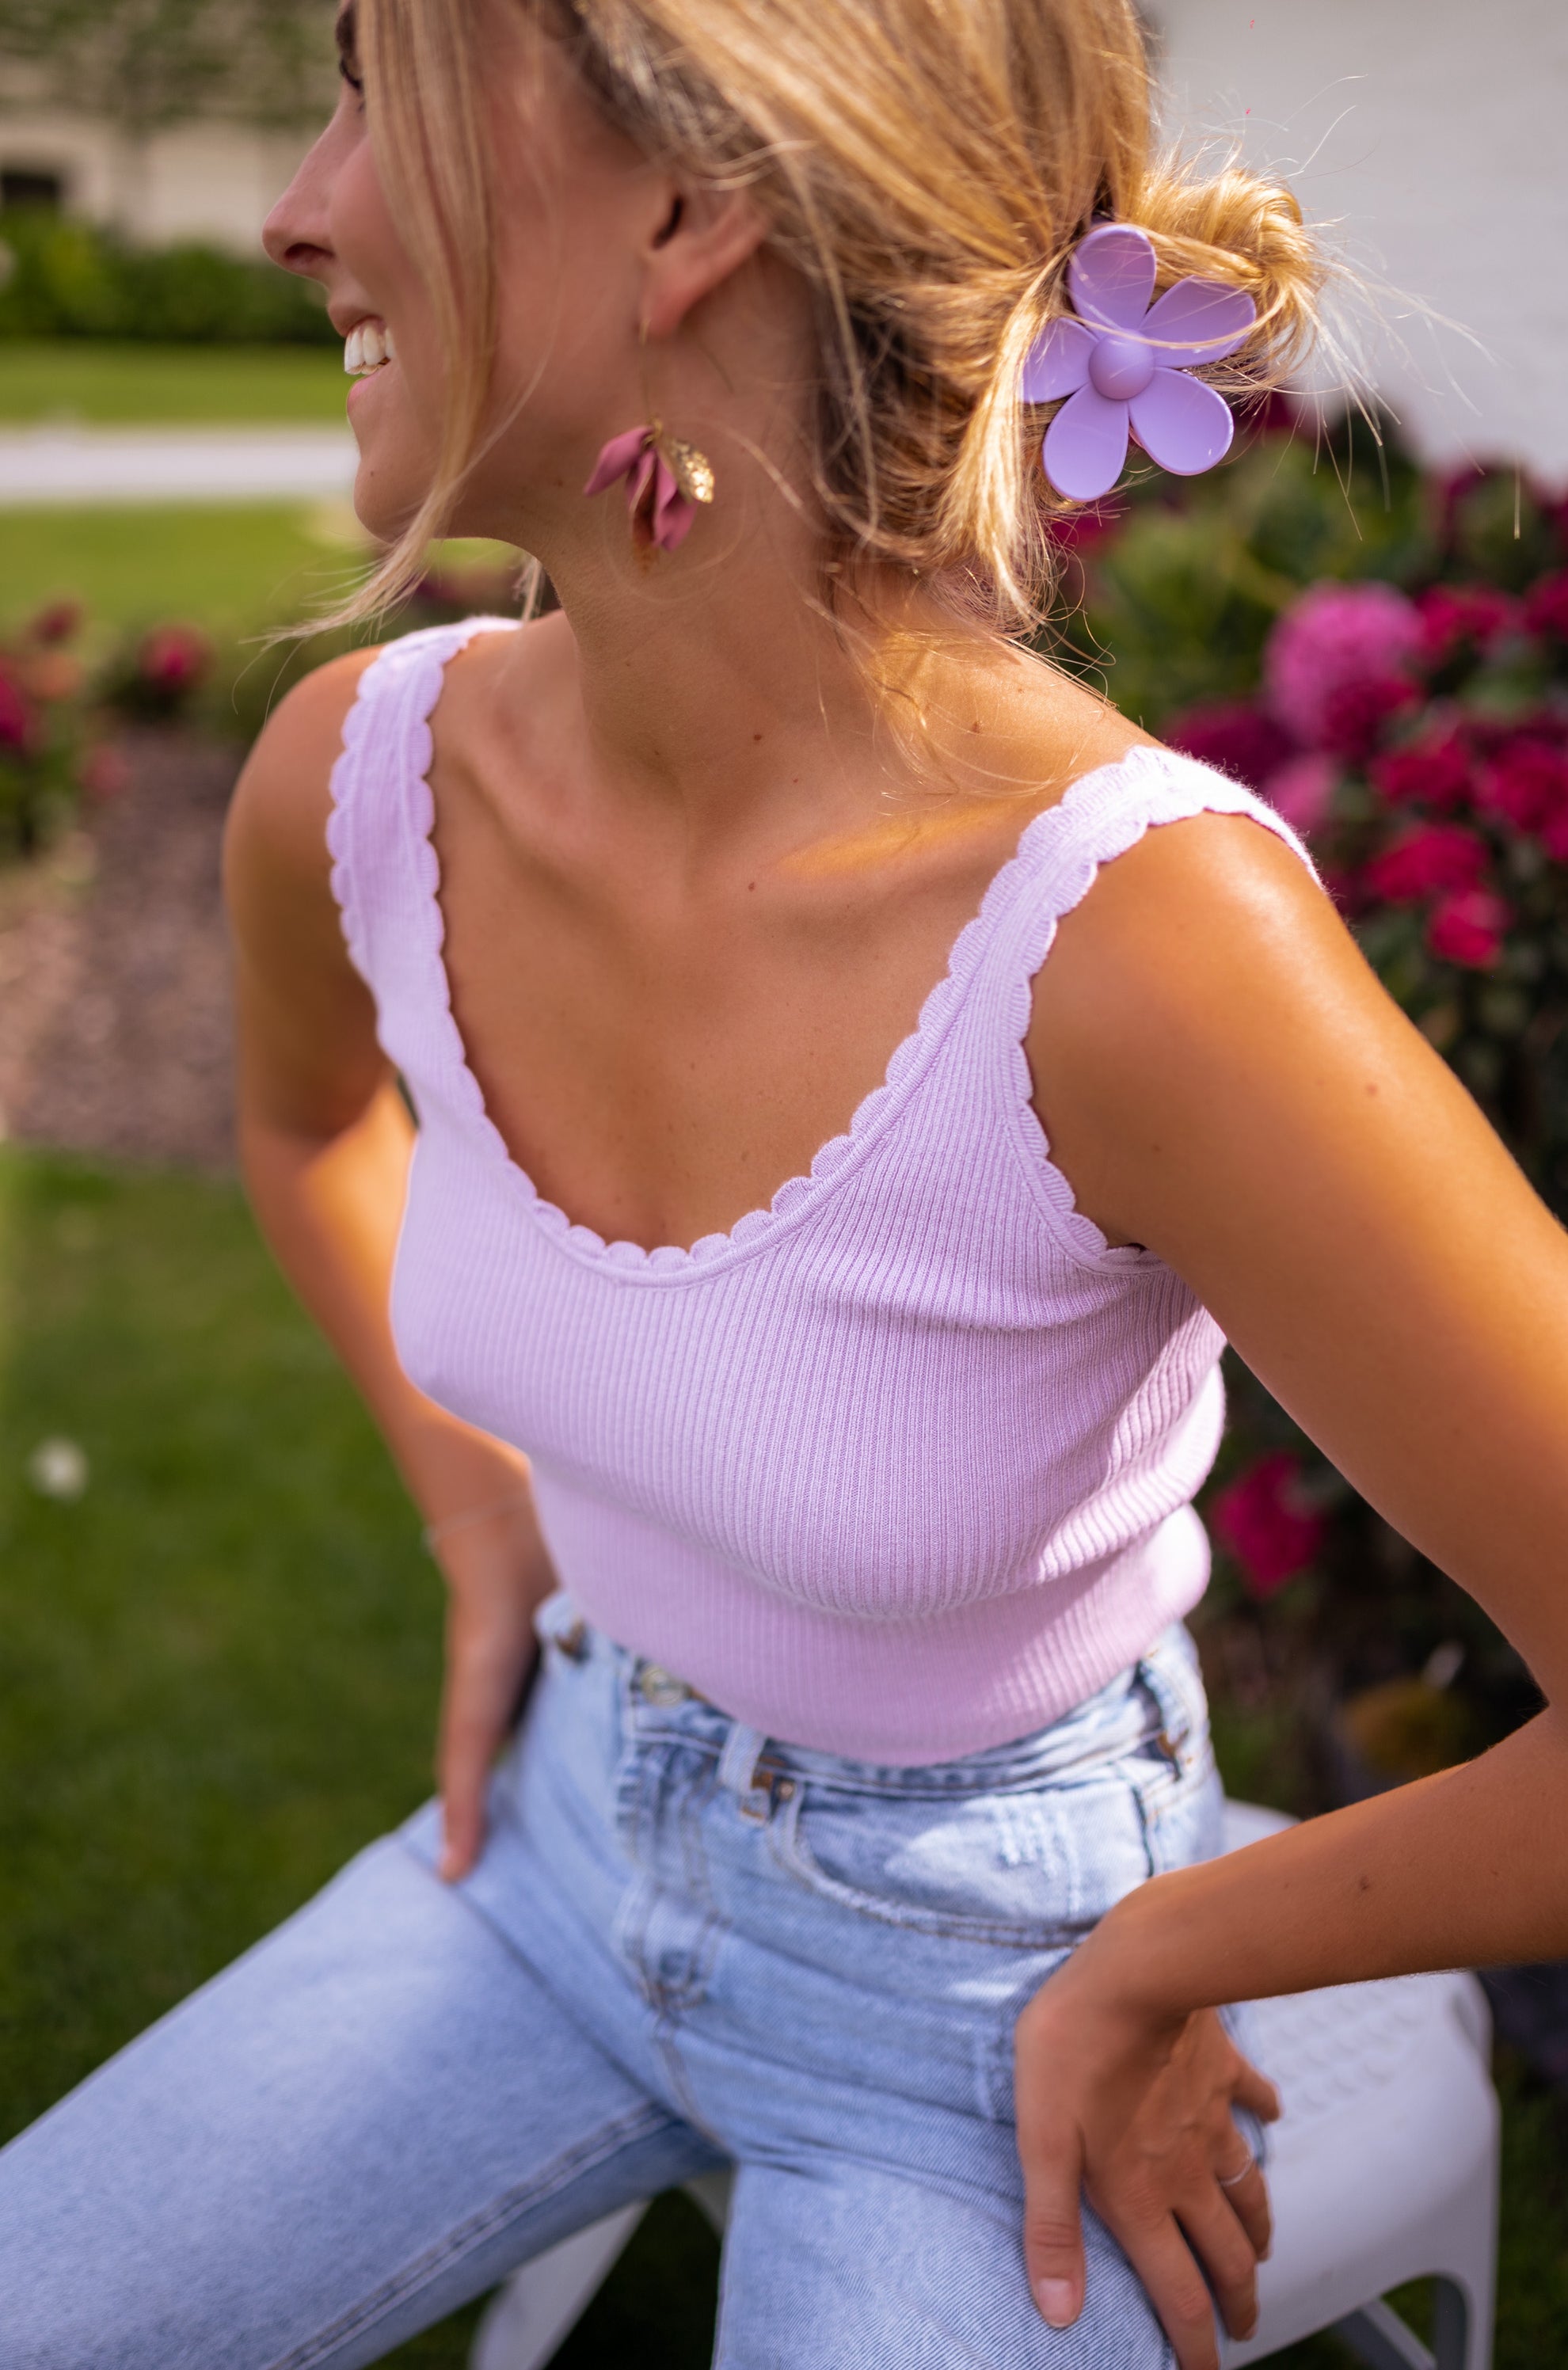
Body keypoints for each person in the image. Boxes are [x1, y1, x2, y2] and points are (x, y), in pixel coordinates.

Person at [4, 2, 1567, 2364]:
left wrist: (1166, 1950)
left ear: (685, 211)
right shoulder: (358, 781)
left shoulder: (1134, 947)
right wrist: (480, 1522)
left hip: (1001, 1989)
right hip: (557, 1835)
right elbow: (308, 1127)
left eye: (377, 89)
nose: (298, 213)